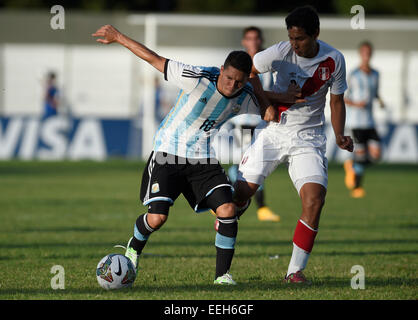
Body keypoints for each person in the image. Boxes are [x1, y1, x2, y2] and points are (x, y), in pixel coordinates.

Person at [92, 25, 299, 285]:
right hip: (168, 154)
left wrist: (266, 90)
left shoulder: (244, 94)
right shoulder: (196, 77)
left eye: (239, 81)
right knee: (157, 218)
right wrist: (118, 37)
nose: (231, 86)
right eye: (228, 78)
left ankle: (222, 277)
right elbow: (154, 58)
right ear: (221, 70)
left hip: (203, 160)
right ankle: (133, 247)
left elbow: (269, 113)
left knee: (227, 209)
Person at [232, 6, 354, 284]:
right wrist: (267, 104)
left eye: (299, 38)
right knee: (240, 193)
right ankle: (237, 207)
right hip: (274, 133)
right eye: (291, 37)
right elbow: (249, 70)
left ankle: (294, 271)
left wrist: (339, 135)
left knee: (314, 200)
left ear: (316, 34)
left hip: (308, 140)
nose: (294, 44)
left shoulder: (334, 60)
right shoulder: (278, 52)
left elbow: (336, 101)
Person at [226, 26, 280, 222]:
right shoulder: (238, 64)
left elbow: (268, 92)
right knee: (250, 166)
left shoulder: (267, 65)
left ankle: (227, 199)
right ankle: (260, 208)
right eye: (249, 38)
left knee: (247, 166)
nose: (253, 42)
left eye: (256, 38)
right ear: (244, 41)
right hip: (242, 122)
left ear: (261, 40)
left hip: (261, 123)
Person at [343, 41, 385, 198]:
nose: (366, 55)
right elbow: (344, 98)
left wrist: (380, 100)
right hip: (356, 122)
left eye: (369, 52)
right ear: (360, 54)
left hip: (370, 121)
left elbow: (375, 93)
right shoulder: (354, 74)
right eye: (364, 52)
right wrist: (357, 104)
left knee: (376, 155)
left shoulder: (376, 74)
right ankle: (357, 188)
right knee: (361, 156)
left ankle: (351, 165)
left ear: (371, 54)